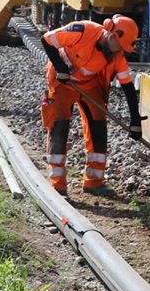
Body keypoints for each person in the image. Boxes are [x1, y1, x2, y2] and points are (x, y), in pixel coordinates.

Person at [39, 15, 143, 197]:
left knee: (98, 127)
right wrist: (60, 66)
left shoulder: (116, 56)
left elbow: (127, 86)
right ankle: (58, 185)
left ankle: (94, 182)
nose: (120, 52)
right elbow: (46, 40)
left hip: (89, 83)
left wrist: (135, 120)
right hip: (62, 80)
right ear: (111, 37)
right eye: (119, 47)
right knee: (59, 126)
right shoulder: (81, 30)